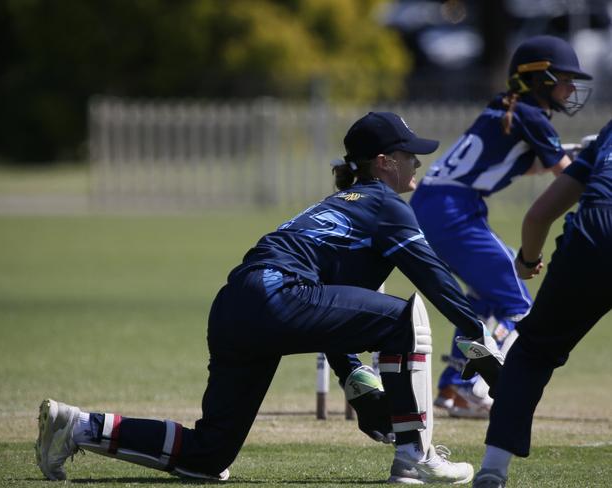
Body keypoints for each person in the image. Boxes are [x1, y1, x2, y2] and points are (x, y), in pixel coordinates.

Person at [35, 112, 504, 485]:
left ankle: (79, 426)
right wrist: (476, 337)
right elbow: (436, 278)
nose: (417, 163)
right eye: (409, 154)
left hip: (235, 305)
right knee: (408, 318)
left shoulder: (338, 204)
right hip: (277, 294)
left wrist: (354, 377)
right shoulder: (387, 206)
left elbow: (327, 312)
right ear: (383, 162)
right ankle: (415, 460)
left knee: (208, 457)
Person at [409, 35, 592, 418]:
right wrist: (590, 162)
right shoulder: (532, 115)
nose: (572, 88)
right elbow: (564, 176)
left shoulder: (505, 108)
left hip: (437, 203)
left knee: (484, 301)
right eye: (564, 78)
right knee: (520, 305)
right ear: (539, 79)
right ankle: (485, 388)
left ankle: (457, 387)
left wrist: (569, 154)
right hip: (454, 209)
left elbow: (519, 163)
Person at [472, 121, 611, 487]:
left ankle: (493, 468)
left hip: (592, 236)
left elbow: (538, 215)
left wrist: (528, 260)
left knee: (532, 352)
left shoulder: (609, 133)